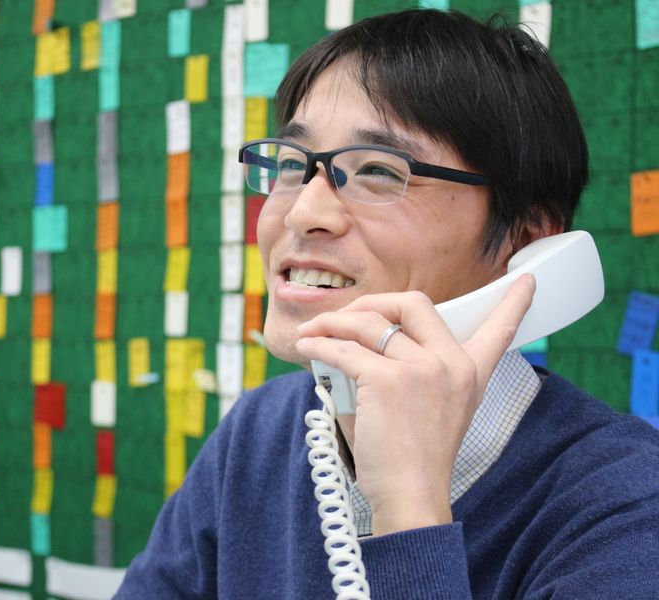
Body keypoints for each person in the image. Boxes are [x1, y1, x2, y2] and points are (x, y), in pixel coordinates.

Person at [116, 9, 659, 598]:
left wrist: (409, 506)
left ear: (525, 243)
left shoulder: (627, 507)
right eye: (293, 166)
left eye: (377, 170)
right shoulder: (258, 434)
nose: (302, 212)